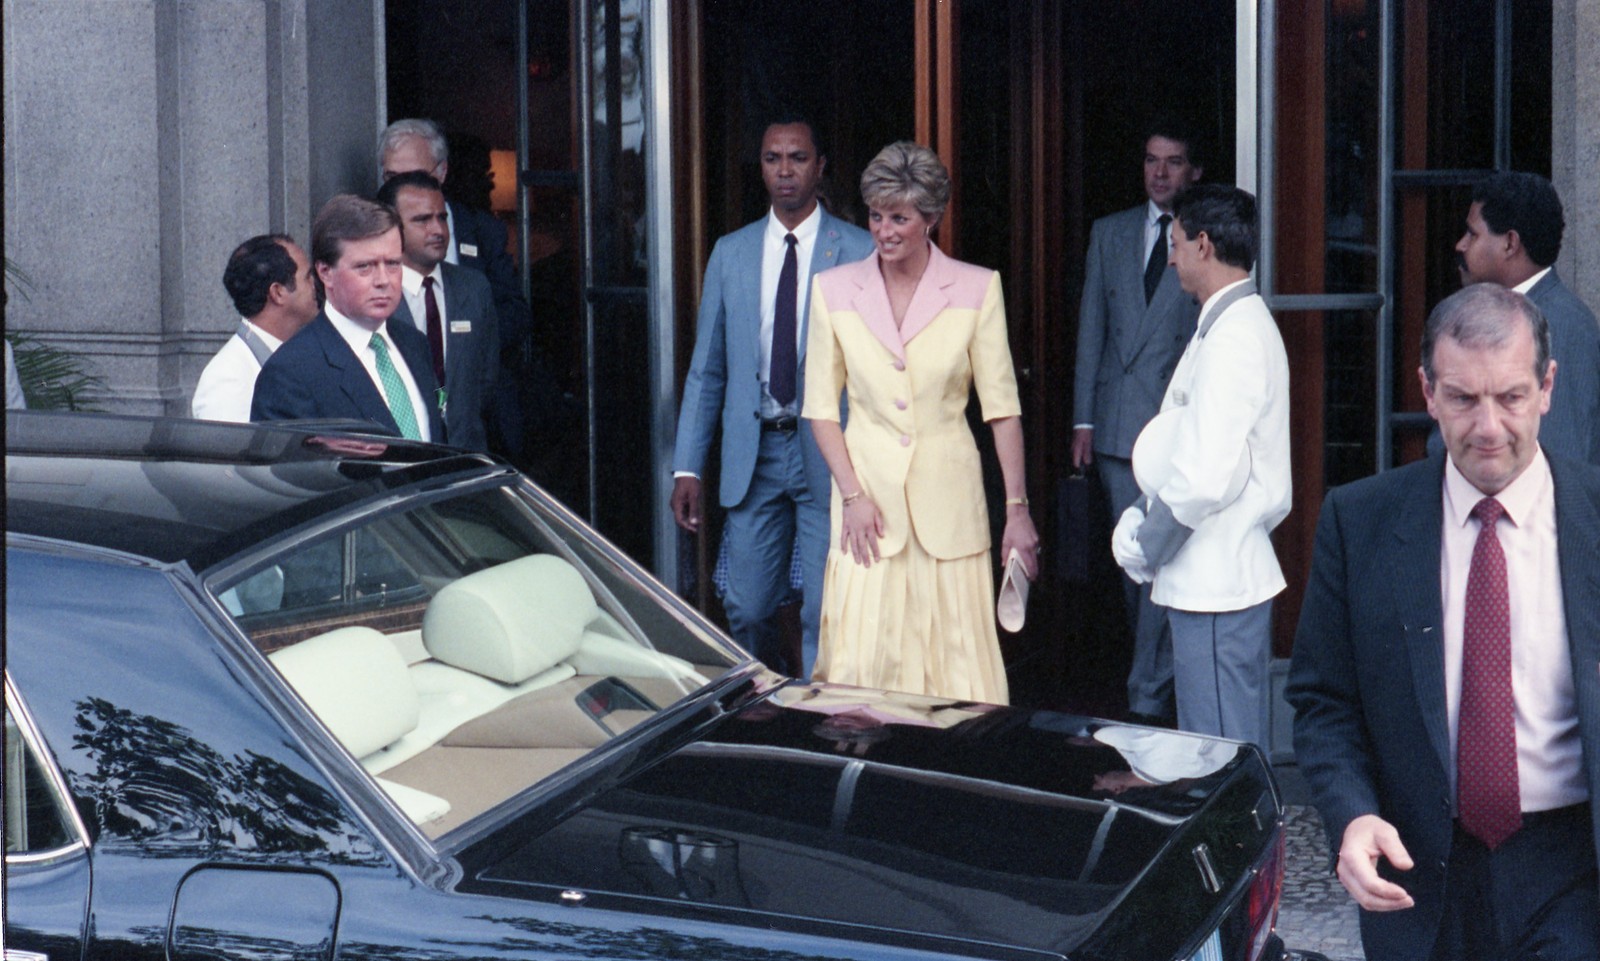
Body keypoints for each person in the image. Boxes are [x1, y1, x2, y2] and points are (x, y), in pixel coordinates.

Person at [1287, 283, 1600, 961]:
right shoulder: (1359, 520)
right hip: (1419, 869)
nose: (1489, 427)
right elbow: (1323, 702)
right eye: (1463, 398)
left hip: (1574, 869)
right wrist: (1353, 814)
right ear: (1427, 391)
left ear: (1547, 386)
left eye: (1511, 396)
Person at [802, 140, 1040, 705]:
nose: (884, 231)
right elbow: (819, 411)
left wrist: (1017, 509)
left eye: (900, 218)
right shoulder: (832, 290)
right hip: (867, 512)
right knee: (863, 669)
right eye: (877, 216)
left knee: (958, 675)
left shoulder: (979, 288)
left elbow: (1002, 410)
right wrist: (853, 494)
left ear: (931, 220)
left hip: (950, 507)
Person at [671, 117, 874, 679]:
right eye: (772, 158)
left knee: (825, 608)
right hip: (753, 450)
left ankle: (815, 721)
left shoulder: (857, 250)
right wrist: (688, 464)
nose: (785, 171)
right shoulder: (731, 253)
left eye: (798, 158)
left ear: (820, 166)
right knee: (748, 603)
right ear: (760, 166)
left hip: (828, 453)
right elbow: (707, 370)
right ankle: (770, 700)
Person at [1111, 184, 1290, 751]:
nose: (1171, 255)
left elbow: (1204, 475)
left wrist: (1145, 542)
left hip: (1217, 577)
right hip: (1215, 574)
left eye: (1178, 242)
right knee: (1220, 751)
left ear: (1204, 245)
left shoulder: (1234, 335)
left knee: (1220, 759)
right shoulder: (1226, 323)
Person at [1071, 120, 1204, 724]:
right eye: (1152, 160)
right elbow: (1091, 329)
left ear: (1193, 172)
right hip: (1117, 428)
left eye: (1173, 162)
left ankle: (1146, 691)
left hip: (1175, 431)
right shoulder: (1110, 232)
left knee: (1159, 562)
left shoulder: (1205, 241)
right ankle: (1156, 673)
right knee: (1136, 569)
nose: (1159, 173)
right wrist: (1082, 421)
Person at [379, 118, 534, 457]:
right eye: (392, 177)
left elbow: (510, 318)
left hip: (474, 427)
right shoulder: (368, 261)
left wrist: (464, 346)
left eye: (416, 174)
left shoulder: (481, 234)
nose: (405, 187)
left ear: (441, 172)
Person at [251, 195, 443, 442]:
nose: (383, 280)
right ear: (325, 272)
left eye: (393, 264)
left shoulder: (414, 344)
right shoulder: (289, 374)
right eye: (365, 267)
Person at [1454, 170, 1600, 464]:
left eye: (1472, 233)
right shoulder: (1523, 315)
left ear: (1510, 243)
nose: (1461, 245)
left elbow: (1556, 464)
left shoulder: (1559, 327)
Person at [375, 171, 500, 451]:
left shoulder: (474, 287)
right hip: (400, 460)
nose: (438, 230)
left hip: (465, 456)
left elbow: (485, 381)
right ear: (389, 227)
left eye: (442, 218)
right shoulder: (374, 293)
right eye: (422, 220)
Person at [192, 234, 319, 423]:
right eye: (308, 277)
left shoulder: (302, 354)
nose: (317, 284)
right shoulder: (228, 379)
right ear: (278, 293)